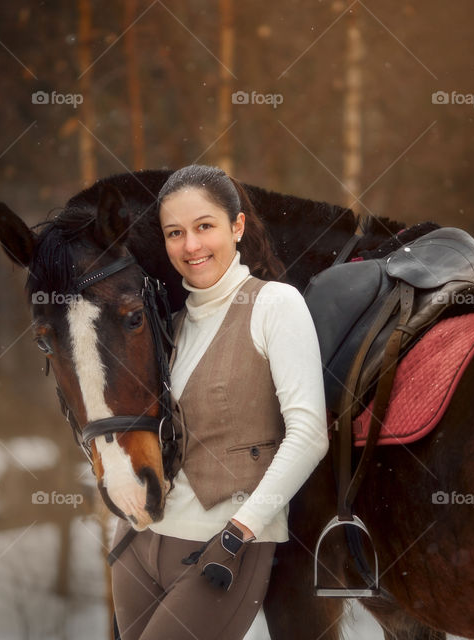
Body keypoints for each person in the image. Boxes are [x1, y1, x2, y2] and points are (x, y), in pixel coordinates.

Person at [109, 165, 329, 640]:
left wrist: (240, 530)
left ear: (237, 226)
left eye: (204, 226)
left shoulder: (276, 305)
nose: (191, 246)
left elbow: (310, 434)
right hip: (138, 547)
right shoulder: (170, 325)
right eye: (175, 233)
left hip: (221, 552)